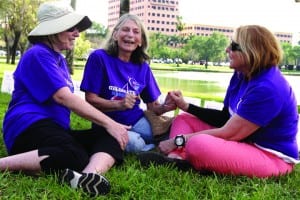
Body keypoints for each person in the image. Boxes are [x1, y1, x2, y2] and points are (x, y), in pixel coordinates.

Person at [0, 1, 130, 196]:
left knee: (108, 136)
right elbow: (63, 97)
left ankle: (86, 178)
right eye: (72, 28)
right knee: (74, 153)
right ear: (54, 30)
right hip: (28, 127)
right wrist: (110, 122)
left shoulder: (58, 59)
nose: (77, 34)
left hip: (54, 131)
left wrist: (110, 127)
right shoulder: (38, 54)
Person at [138, 25, 299, 178]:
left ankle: (187, 156)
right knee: (183, 119)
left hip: (270, 156)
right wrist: (186, 106)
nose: (227, 49)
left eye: (234, 46)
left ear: (252, 51)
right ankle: (177, 159)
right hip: (244, 140)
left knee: (197, 144)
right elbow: (224, 118)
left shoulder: (268, 88)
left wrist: (178, 140)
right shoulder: (241, 75)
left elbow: (229, 134)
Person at [80, 13, 176, 153]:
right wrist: (119, 104)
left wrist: (166, 107)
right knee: (134, 144)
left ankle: (152, 145)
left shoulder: (143, 67)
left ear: (141, 41)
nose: (130, 35)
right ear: (115, 35)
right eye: (125, 30)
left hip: (137, 120)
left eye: (136, 32)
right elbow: (90, 100)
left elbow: (153, 107)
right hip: (107, 124)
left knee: (173, 129)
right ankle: (151, 149)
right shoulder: (99, 58)